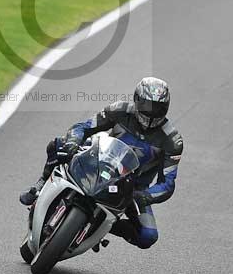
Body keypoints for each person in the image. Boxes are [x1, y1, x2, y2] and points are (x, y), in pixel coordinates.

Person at [19, 77, 183, 249]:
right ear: (137, 100)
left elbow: (167, 184)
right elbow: (83, 127)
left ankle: (104, 226)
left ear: (166, 107)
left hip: (131, 189)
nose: (151, 113)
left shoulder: (173, 141)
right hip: (101, 164)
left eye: (157, 108)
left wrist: (144, 197)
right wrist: (73, 141)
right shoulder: (120, 110)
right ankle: (40, 184)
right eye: (148, 106)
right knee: (58, 144)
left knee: (147, 236)